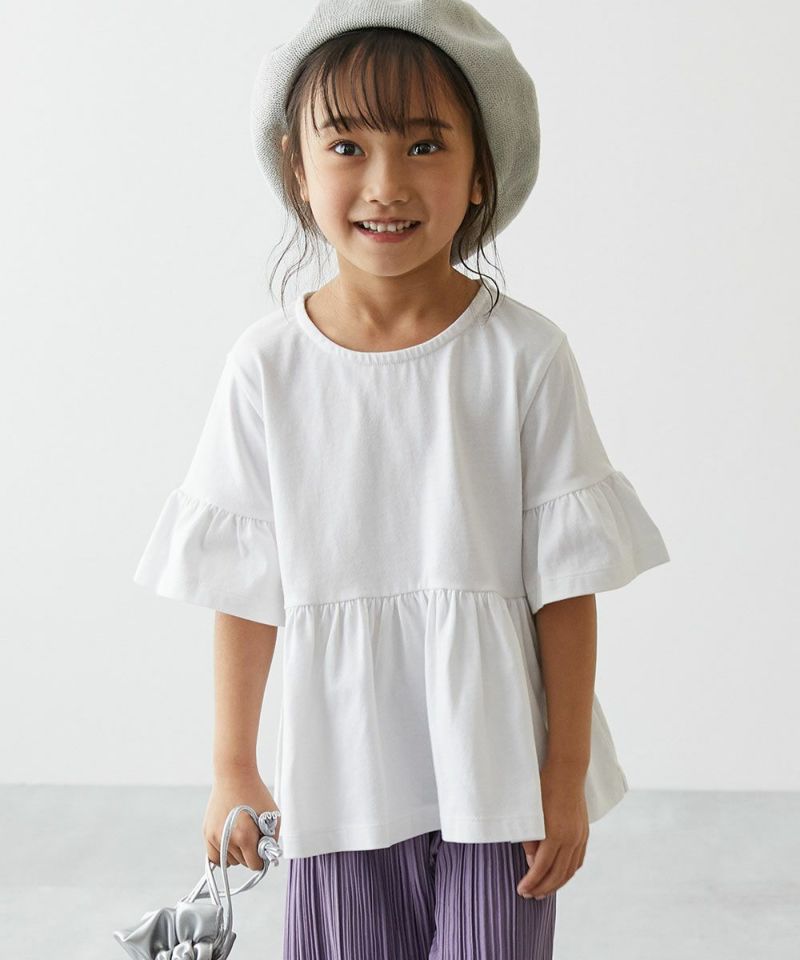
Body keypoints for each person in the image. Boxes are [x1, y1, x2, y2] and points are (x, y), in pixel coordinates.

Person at [132, 1, 671, 957]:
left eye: (425, 145)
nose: (386, 184)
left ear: (481, 171)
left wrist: (563, 774)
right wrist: (232, 767)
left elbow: (564, 584)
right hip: (340, 771)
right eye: (347, 145)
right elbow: (245, 589)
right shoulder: (267, 369)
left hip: (496, 768)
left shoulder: (525, 358)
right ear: (297, 168)